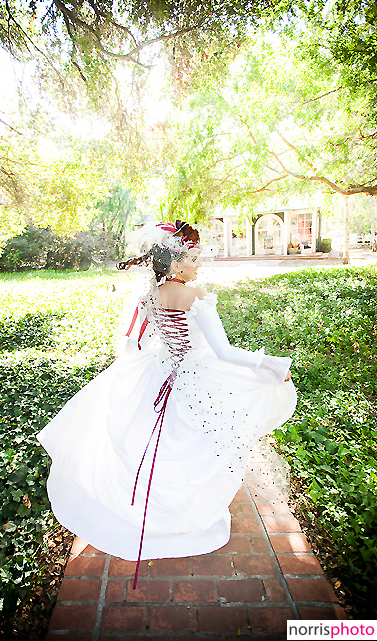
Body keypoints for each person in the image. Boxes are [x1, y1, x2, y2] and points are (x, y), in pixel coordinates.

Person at [37, 221, 296, 588]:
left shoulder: (149, 297)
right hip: (196, 376)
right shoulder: (197, 296)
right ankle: (182, 515)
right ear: (175, 264)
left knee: (153, 443)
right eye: (192, 258)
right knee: (197, 445)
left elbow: (134, 342)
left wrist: (141, 368)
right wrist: (270, 365)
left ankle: (148, 512)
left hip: (160, 372)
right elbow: (223, 352)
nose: (198, 265)